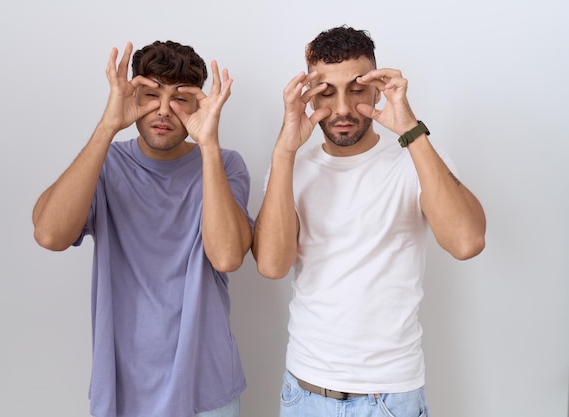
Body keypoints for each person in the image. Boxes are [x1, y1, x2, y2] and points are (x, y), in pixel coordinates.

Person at [252, 26, 486, 417]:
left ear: (378, 89)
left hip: (391, 396)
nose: (342, 109)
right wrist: (284, 151)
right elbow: (273, 266)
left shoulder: (416, 157)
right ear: (308, 96)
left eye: (357, 89)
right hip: (304, 393)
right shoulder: (291, 167)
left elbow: (466, 242)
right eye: (326, 92)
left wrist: (411, 129)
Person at [32, 40, 253, 417]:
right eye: (150, 94)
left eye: (180, 99)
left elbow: (228, 256)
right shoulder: (106, 164)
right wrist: (107, 126)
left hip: (207, 388)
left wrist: (209, 144)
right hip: (121, 387)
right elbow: (50, 235)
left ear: (198, 105)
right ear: (132, 95)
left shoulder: (224, 164)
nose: (164, 110)